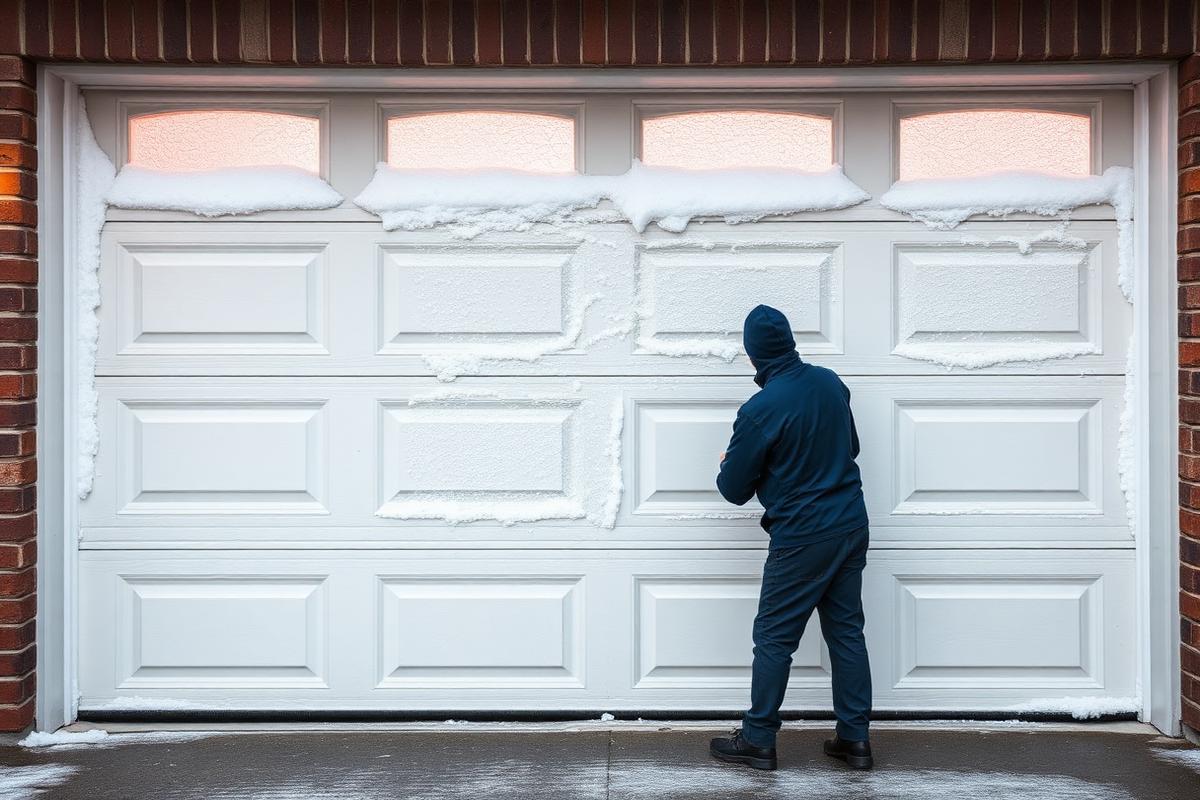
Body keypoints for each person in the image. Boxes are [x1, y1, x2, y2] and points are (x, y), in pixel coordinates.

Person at [708, 304, 873, 772]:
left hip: (803, 536)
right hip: (851, 524)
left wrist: (729, 462)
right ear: (790, 342)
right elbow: (850, 447)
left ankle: (758, 739)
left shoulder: (760, 410)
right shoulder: (830, 382)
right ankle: (855, 740)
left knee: (774, 638)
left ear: (752, 354)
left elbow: (734, 490)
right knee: (846, 632)